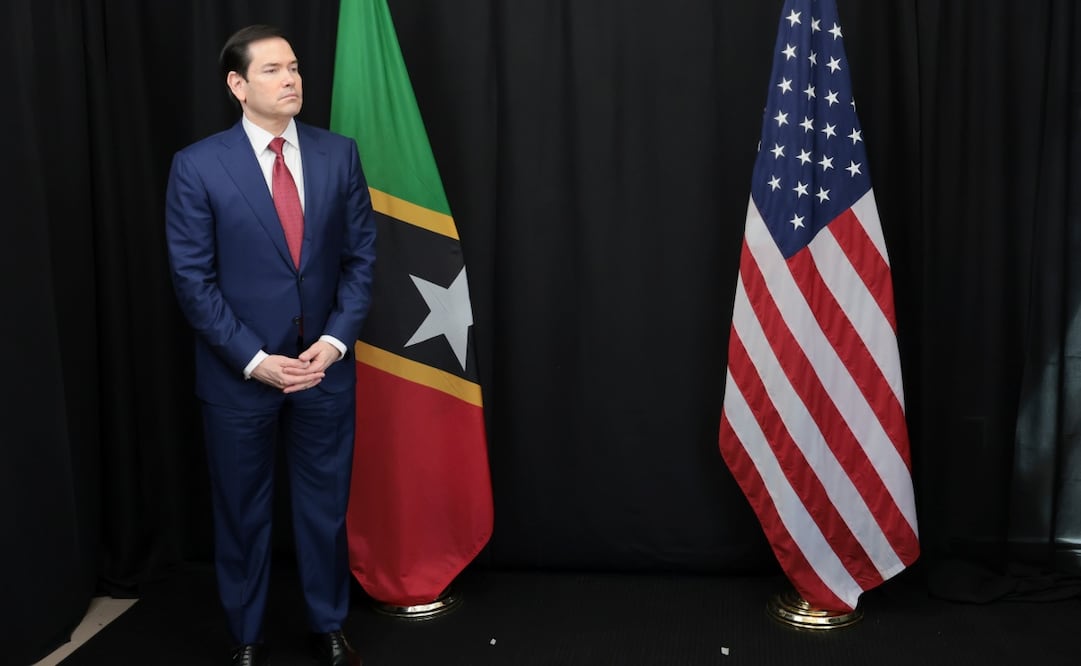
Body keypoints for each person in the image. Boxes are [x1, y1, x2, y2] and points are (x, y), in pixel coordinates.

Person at [165, 24, 376, 666]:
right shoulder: (198, 166)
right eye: (273, 70)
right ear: (237, 85)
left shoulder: (338, 154)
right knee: (242, 514)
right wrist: (254, 360)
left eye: (295, 67)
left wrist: (336, 342)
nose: (292, 79)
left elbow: (361, 260)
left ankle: (328, 624)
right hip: (239, 377)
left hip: (323, 373)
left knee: (324, 511)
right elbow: (192, 280)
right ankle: (246, 638)